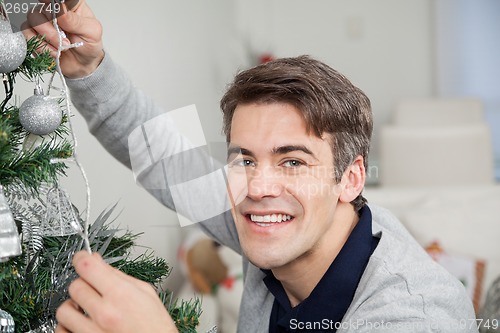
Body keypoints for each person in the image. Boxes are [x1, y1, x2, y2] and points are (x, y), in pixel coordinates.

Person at [24, 1, 478, 332]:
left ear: (350, 178)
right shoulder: (266, 221)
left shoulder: (417, 314)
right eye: (244, 158)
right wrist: (87, 68)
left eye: (293, 161)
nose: (258, 187)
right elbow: (158, 151)